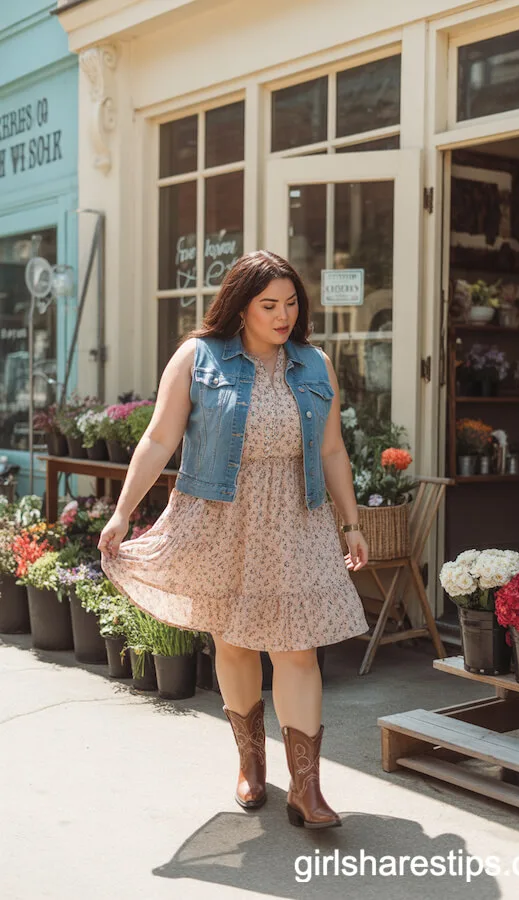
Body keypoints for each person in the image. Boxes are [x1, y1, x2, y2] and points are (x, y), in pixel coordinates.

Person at [99, 250, 370, 830]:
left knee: (297, 647)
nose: (284, 316)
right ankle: (250, 760)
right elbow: (158, 438)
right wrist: (123, 512)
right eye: (269, 305)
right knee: (236, 643)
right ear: (240, 307)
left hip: (297, 519)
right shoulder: (198, 358)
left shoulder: (316, 364)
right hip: (222, 517)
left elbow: (331, 450)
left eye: (291, 303)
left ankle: (307, 787)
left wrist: (351, 521)